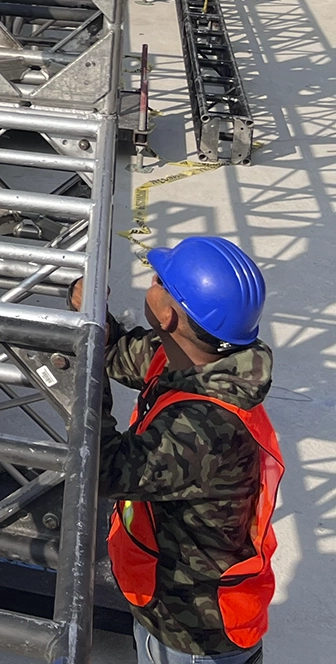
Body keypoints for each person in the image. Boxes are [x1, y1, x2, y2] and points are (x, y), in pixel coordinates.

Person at [71, 237, 283, 664]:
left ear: (168, 315)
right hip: (172, 601)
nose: (150, 281)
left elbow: (104, 468)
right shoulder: (189, 358)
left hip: (193, 630)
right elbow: (118, 353)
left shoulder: (206, 430)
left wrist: (84, 369)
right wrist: (96, 322)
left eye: (157, 280)